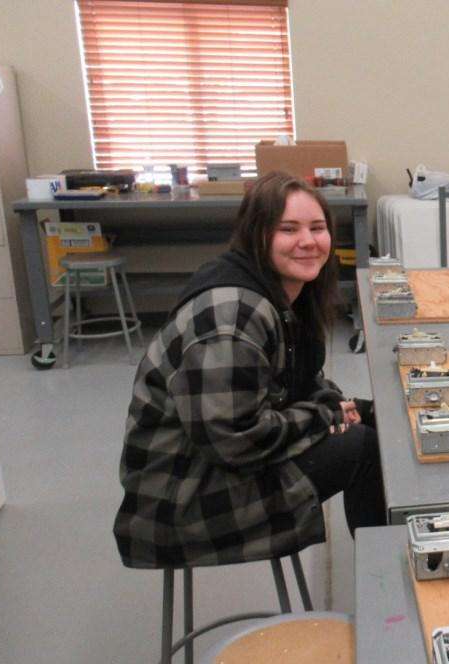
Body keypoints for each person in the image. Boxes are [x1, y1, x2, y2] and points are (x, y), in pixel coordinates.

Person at [113, 172, 385, 568]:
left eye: (317, 228)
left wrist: (345, 405)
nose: (308, 241)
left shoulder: (277, 292)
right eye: (288, 229)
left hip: (212, 467)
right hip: (184, 502)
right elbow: (235, 439)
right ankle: (385, 580)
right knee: (363, 446)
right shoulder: (234, 315)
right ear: (257, 234)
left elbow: (294, 382)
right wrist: (324, 415)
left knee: (375, 419)